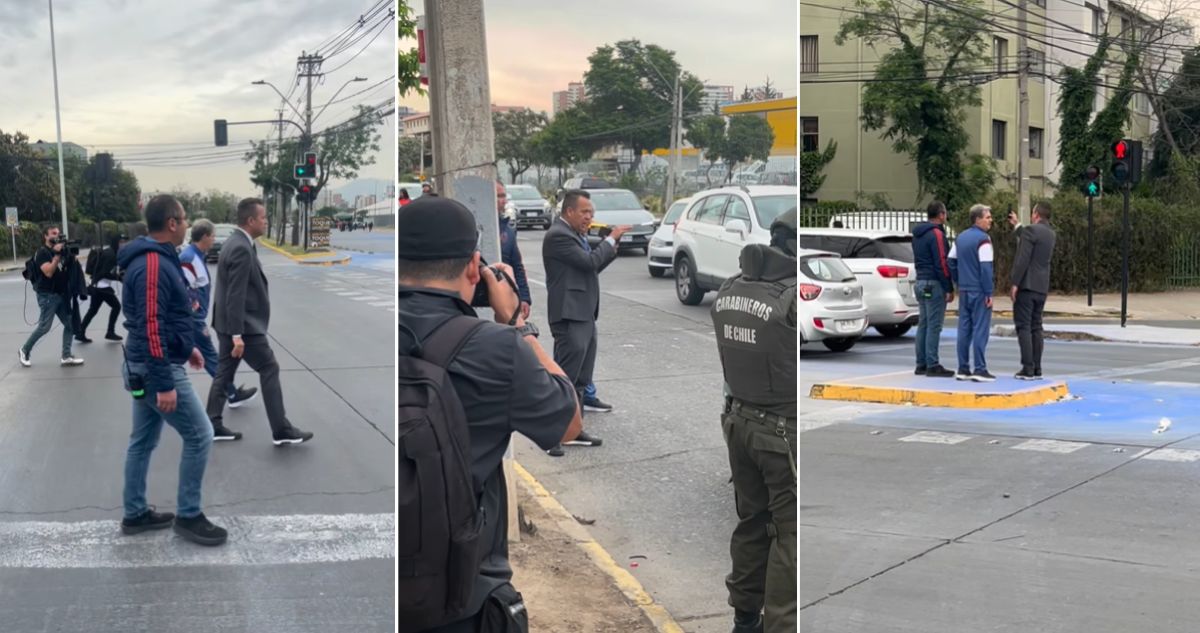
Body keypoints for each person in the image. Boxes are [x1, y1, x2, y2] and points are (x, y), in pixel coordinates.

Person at [398, 196, 582, 632]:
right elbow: (570, 423)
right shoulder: (497, 348)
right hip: (463, 597)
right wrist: (516, 323)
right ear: (472, 266)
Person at [118, 194, 225, 546]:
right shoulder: (153, 263)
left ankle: (135, 513)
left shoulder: (160, 258)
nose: (188, 223)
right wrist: (165, 383)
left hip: (146, 364)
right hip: (154, 369)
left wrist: (186, 347)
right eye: (184, 217)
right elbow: (152, 325)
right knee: (201, 435)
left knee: (143, 441)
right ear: (172, 223)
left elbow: (164, 319)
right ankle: (189, 515)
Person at [710, 209, 798, 633]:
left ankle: (744, 619)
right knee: (790, 535)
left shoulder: (730, 288)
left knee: (753, 522)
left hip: (738, 421)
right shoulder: (794, 296)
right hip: (781, 431)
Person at [205, 198, 313, 445]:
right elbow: (235, 294)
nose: (266, 221)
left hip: (228, 323)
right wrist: (237, 335)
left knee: (224, 372)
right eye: (263, 217)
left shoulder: (236, 242)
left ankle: (212, 423)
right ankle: (281, 429)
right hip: (243, 327)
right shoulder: (241, 247)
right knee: (269, 368)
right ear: (251, 220)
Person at [541, 189, 627, 457]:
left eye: (591, 212)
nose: (589, 217)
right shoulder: (558, 235)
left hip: (584, 313)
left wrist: (610, 246)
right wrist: (610, 240)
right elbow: (589, 262)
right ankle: (552, 435)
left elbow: (591, 267)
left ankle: (573, 430)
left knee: (580, 379)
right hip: (569, 316)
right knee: (565, 379)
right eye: (585, 212)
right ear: (569, 211)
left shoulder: (574, 234)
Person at [179, 219, 259, 425]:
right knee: (212, 358)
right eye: (213, 235)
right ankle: (231, 393)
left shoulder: (197, 256)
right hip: (192, 320)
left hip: (194, 318)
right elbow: (181, 289)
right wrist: (194, 315)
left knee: (182, 357)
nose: (215, 239)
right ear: (204, 236)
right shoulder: (189, 258)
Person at [18, 226, 84, 367]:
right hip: (47, 296)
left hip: (60, 294)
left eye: (58, 233)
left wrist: (69, 257)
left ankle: (66, 356)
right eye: (53, 233)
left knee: (70, 324)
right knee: (44, 327)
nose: (56, 236)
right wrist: (56, 256)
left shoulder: (60, 250)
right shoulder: (42, 252)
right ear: (46, 236)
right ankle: (24, 350)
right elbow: (48, 272)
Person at [1009, 201, 1057, 380]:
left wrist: (1015, 283)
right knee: (1036, 326)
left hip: (1027, 285)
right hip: (1041, 286)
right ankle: (1037, 367)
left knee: (1024, 326)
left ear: (1036, 214)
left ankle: (1027, 367)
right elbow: (1030, 239)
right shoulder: (1050, 234)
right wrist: (1017, 225)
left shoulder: (1031, 231)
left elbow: (1023, 259)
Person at [949, 204, 996, 382]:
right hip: (979, 290)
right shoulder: (983, 240)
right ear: (978, 219)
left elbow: (951, 261)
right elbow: (986, 267)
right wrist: (988, 292)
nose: (990, 220)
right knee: (980, 329)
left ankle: (963, 368)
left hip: (964, 289)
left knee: (964, 328)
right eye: (987, 217)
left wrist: (958, 280)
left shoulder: (960, 237)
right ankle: (980, 368)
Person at [911, 202, 955, 378]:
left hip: (920, 281)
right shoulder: (936, 234)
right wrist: (948, 286)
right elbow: (942, 262)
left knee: (924, 323)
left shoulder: (918, 234)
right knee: (934, 325)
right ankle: (932, 363)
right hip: (934, 283)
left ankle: (921, 363)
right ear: (941, 215)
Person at [78, 234, 126, 343]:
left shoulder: (110, 252)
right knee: (116, 306)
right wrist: (118, 278)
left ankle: (80, 332)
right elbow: (105, 273)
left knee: (93, 310)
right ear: (116, 242)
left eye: (124, 242)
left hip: (97, 285)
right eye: (121, 242)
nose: (123, 244)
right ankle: (110, 332)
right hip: (101, 286)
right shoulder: (111, 255)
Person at [496, 181, 532, 320]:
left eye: (504, 196)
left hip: (506, 300)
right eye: (498, 196)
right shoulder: (473, 228)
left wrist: (524, 298)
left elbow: (517, 266)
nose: (503, 201)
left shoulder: (508, 230)